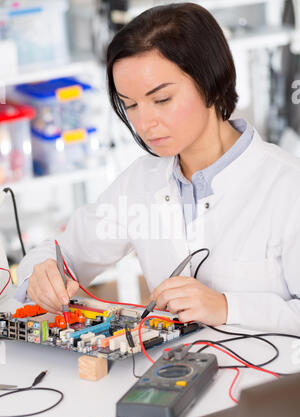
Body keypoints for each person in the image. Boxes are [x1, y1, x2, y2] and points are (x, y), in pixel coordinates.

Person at [16, 2, 300, 334]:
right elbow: (62, 253)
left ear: (210, 80)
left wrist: (225, 306)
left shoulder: (287, 185)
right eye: (130, 105)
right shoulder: (141, 181)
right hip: (173, 378)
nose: (144, 123)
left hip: (268, 383)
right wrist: (41, 272)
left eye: (161, 100)